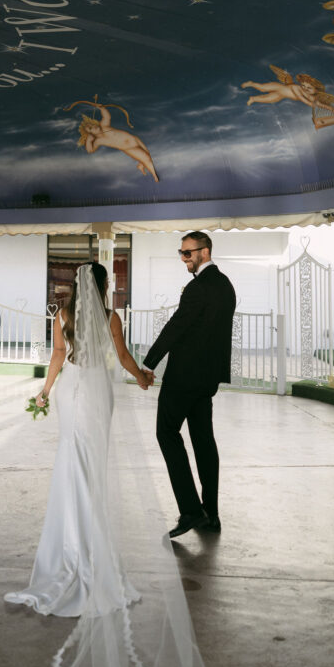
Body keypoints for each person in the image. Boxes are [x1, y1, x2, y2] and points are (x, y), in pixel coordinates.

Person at [5, 262, 224, 667]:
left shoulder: (61, 313)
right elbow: (122, 358)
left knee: (71, 463)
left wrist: (45, 392)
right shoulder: (110, 317)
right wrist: (144, 377)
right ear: (104, 286)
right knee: (91, 466)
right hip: (98, 394)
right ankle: (89, 548)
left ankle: (68, 547)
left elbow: (58, 358)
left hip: (71, 393)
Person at [143, 231, 236, 539]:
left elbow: (177, 327)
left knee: (166, 432)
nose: (183, 258)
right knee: (203, 441)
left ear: (204, 253)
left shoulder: (198, 288)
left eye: (187, 253)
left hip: (183, 377)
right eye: (181, 253)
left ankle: (191, 510)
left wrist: (149, 363)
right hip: (208, 379)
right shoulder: (226, 286)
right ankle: (211, 514)